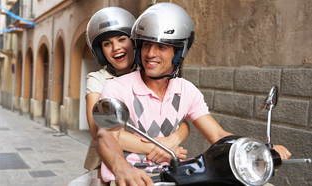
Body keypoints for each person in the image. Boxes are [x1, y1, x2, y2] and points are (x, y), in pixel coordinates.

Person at [97, 2, 292, 186]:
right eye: (146, 44)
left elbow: (217, 135)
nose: (150, 54)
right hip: (131, 178)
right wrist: (121, 168)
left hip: (176, 175)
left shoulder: (186, 90)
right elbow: (106, 136)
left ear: (178, 52)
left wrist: (258, 150)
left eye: (162, 47)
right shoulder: (118, 87)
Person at [69, 6, 189, 186]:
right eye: (107, 43)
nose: (116, 47)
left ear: (134, 42)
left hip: (159, 165)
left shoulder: (153, 72)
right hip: (111, 165)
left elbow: (184, 119)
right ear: (100, 51)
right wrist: (161, 148)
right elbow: (99, 130)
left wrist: (174, 139)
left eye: (122, 39)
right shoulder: (98, 80)